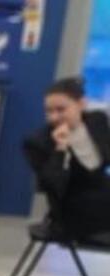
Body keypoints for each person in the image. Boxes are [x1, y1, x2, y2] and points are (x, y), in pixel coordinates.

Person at [24, 77, 110, 237]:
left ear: (81, 105)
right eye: (49, 111)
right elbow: (53, 186)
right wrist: (60, 149)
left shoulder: (97, 120)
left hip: (103, 193)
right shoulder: (38, 142)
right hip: (71, 207)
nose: (53, 117)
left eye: (61, 110)